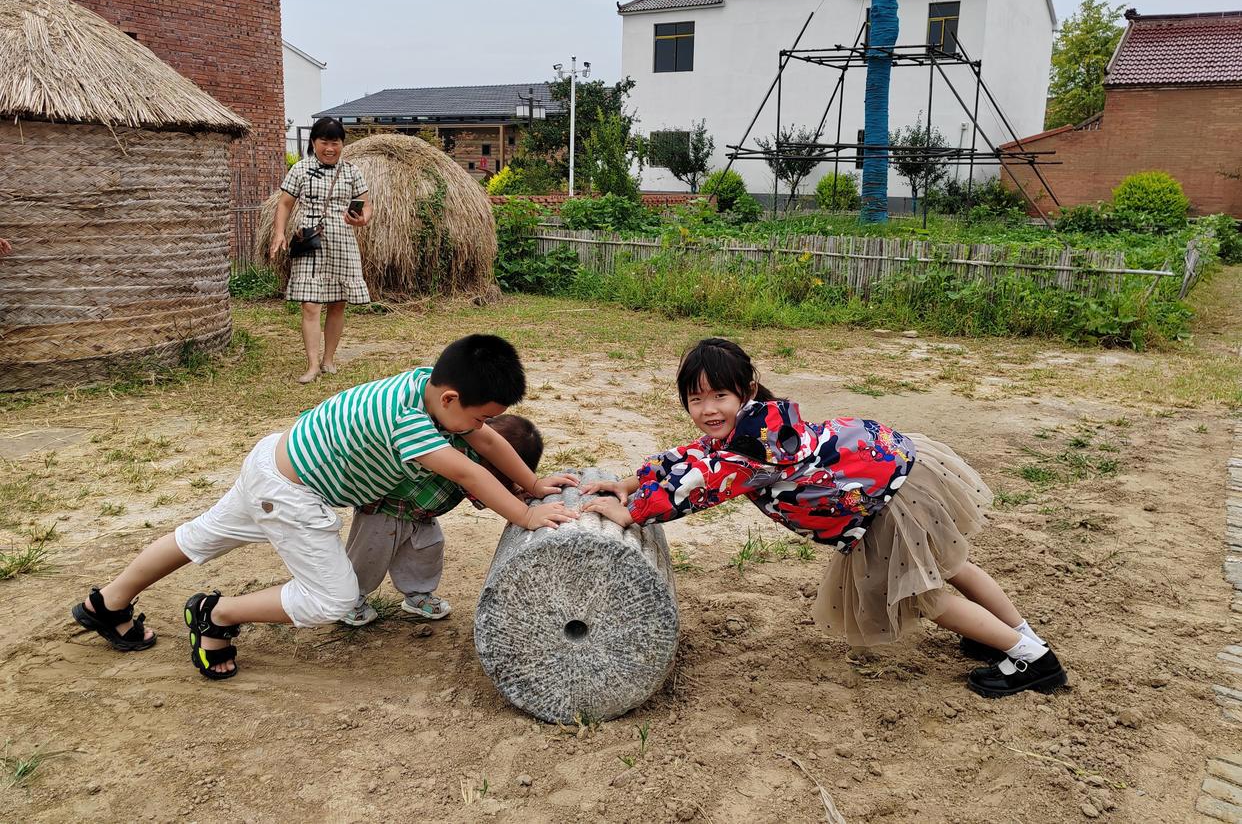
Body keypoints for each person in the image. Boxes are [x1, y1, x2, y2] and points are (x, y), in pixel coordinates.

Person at [71, 335, 577, 680]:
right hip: (292, 493)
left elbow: (484, 443)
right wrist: (527, 513)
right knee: (334, 599)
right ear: (450, 399)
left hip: (274, 459)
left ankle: (107, 603)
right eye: (480, 416)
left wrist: (529, 482)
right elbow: (469, 471)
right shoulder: (411, 426)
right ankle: (216, 614)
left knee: (199, 537)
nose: (480, 428)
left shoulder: (423, 384)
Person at [583, 338, 1066, 699]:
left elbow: (703, 483)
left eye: (719, 397)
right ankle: (1017, 637)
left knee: (920, 592)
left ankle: (1032, 661)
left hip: (878, 503)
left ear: (746, 389)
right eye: (696, 400)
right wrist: (631, 482)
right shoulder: (757, 421)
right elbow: (691, 456)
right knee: (949, 565)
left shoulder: (757, 446)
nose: (708, 410)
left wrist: (632, 513)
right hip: (894, 474)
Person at [341, 413, 544, 627]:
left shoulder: (479, 457)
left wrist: (518, 490)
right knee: (369, 556)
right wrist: (521, 507)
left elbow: (495, 487)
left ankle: (418, 594)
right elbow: (484, 490)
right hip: (385, 508)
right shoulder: (460, 454)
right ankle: (350, 601)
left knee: (427, 550)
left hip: (421, 513)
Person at [269, 117, 372, 384]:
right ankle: (312, 364)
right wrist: (279, 233)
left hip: (343, 241)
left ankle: (328, 360)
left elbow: (366, 205)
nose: (329, 148)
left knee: (338, 303)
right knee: (310, 305)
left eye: (335, 142)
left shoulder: (351, 171)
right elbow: (284, 204)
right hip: (311, 240)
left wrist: (362, 218)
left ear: (342, 144)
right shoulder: (301, 170)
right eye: (324, 142)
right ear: (314, 143)